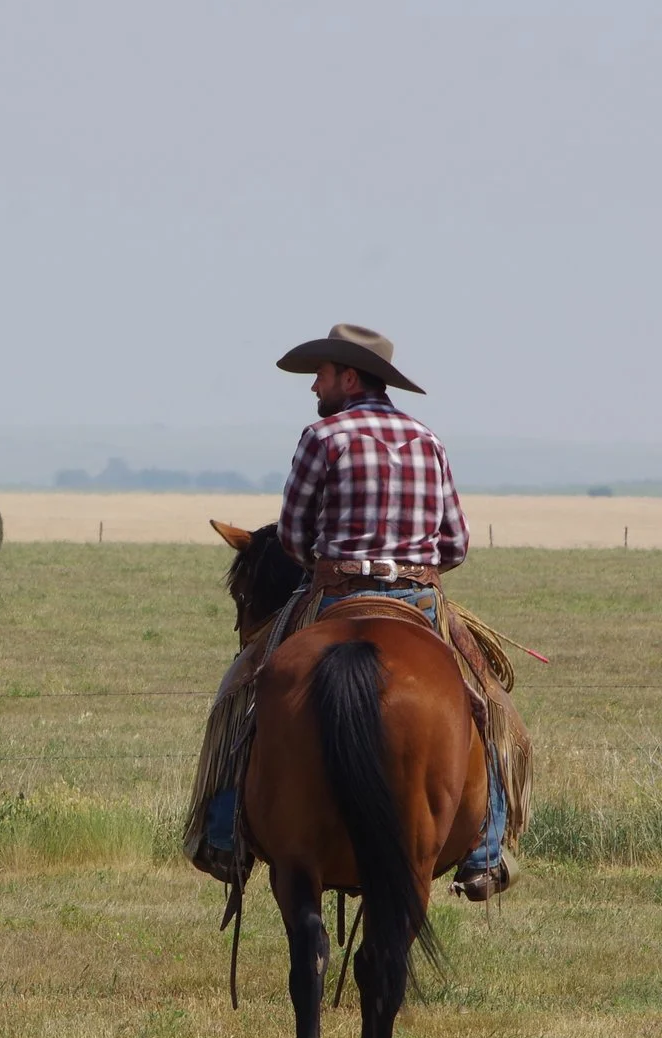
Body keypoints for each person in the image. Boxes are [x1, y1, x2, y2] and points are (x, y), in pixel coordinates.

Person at [188, 324, 515, 900]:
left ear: (349, 376)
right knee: (487, 702)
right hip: (418, 598)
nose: (314, 386)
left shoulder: (321, 437)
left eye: (321, 374)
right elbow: (456, 544)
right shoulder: (429, 440)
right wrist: (411, 566)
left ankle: (222, 833)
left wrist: (329, 558)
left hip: (335, 596)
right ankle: (486, 849)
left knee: (243, 690)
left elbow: (292, 536)